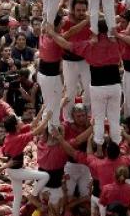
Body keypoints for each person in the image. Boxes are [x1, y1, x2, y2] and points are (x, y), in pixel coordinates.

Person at [47, 18, 122, 146]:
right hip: (115, 85)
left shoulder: (90, 45)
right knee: (114, 119)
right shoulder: (116, 42)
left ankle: (98, 148)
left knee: (98, 120)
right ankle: (116, 147)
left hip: (98, 87)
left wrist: (52, 33)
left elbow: (66, 45)